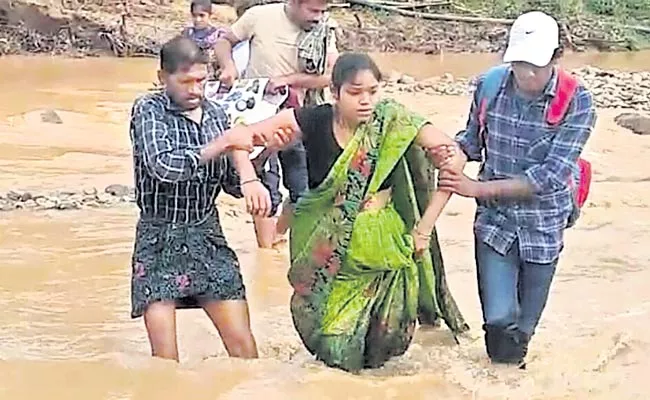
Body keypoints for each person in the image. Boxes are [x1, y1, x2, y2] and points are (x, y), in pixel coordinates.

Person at [234, 53, 469, 372]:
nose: (366, 101)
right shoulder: (314, 120)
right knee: (332, 342)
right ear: (335, 92)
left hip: (382, 244)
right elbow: (242, 134)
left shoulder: (393, 122)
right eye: (355, 92)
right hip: (325, 245)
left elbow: (455, 157)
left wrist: (424, 228)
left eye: (373, 92)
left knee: (384, 343)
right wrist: (255, 168)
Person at [430, 11, 597, 367]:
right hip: (496, 225)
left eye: (536, 66)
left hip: (544, 226)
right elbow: (472, 142)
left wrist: (476, 189)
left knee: (522, 330)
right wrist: (446, 152)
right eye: (520, 64)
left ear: (556, 57)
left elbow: (550, 176)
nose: (527, 74)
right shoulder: (490, 85)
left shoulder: (577, 101)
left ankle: (513, 378)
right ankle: (499, 378)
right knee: (497, 322)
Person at [128, 36, 289, 361]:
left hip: (207, 236)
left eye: (201, 80)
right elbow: (164, 166)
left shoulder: (216, 114)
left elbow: (230, 182)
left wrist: (266, 152)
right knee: (165, 363)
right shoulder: (148, 109)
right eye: (185, 81)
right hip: (159, 238)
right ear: (163, 78)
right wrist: (224, 143)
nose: (195, 89)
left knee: (246, 354)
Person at [213, 0, 339, 248]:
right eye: (313, 10)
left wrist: (289, 79)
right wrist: (228, 67)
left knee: (303, 190)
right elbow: (223, 41)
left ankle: (278, 234)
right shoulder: (259, 16)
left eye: (323, 11)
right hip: (258, 115)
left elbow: (331, 77)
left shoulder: (325, 29)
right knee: (264, 184)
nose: (319, 16)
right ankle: (265, 249)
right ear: (294, 2)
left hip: (299, 119)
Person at [182, 0, 249, 77]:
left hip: (212, 77)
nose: (198, 19)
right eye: (194, 15)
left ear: (210, 15)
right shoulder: (187, 34)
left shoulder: (218, 34)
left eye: (202, 15)